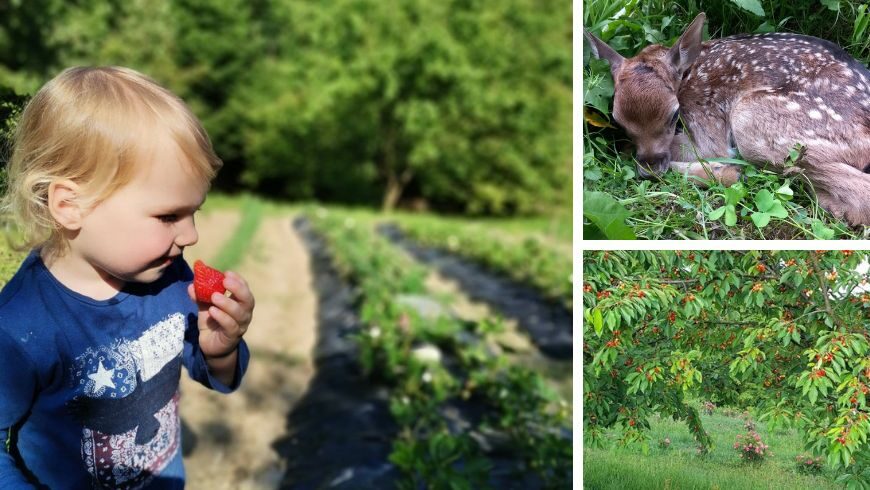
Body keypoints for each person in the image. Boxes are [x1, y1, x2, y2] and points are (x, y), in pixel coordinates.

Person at [0, 66, 255, 489]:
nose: (190, 235)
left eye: (195, 211)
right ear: (70, 205)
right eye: (168, 216)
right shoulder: (20, 327)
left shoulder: (170, 276)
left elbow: (214, 373)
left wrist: (220, 350)